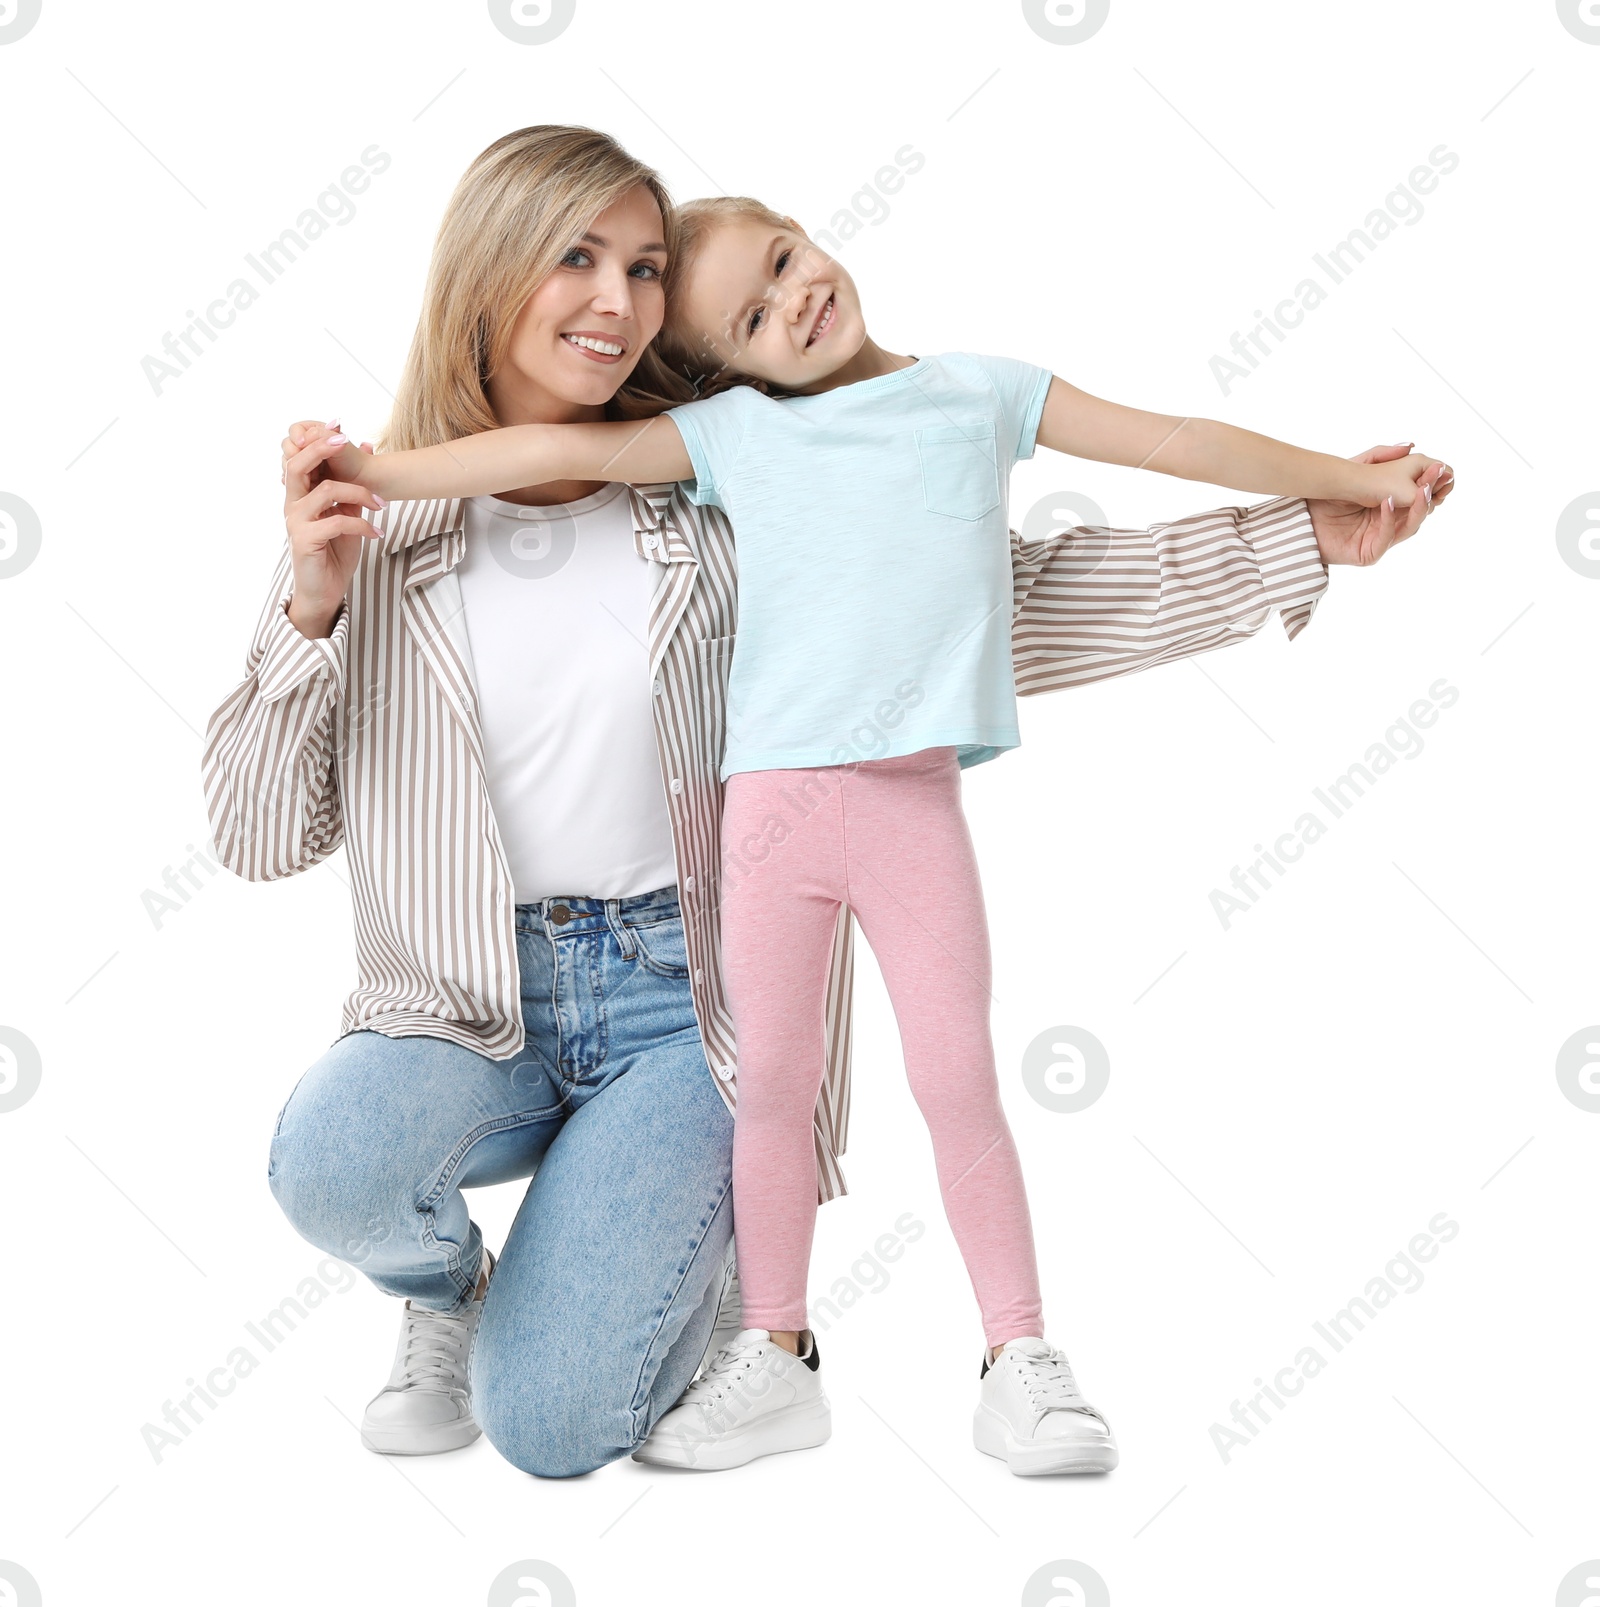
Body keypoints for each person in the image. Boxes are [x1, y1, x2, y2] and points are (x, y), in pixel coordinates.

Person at [292, 187, 1454, 1476]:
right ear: (720, 366)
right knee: (721, 1102)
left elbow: (1155, 456)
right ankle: (715, 1340)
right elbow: (524, 464)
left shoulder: (948, 406)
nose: (792, 298)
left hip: (835, 863)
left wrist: (1334, 500)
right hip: (681, 876)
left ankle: (1015, 1357)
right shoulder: (724, 448)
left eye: (784, 259)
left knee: (950, 1084)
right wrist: (366, 482)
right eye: (749, 312)